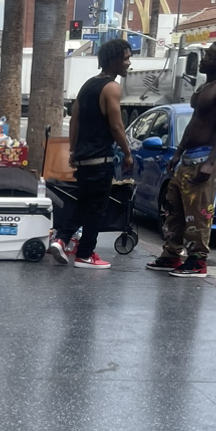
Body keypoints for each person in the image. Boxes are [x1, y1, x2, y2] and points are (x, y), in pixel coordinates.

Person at [147, 38, 216, 278]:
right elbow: (195, 123)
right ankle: (171, 255)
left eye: (210, 56)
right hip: (188, 158)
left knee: (197, 214)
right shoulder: (205, 86)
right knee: (174, 210)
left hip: (204, 160)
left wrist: (210, 162)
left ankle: (197, 261)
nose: (203, 59)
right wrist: (178, 153)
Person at [47, 38, 133, 271]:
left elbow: (74, 119)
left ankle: (61, 240)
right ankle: (85, 254)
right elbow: (116, 126)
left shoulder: (87, 86)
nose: (128, 63)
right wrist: (127, 152)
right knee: (96, 210)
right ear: (114, 60)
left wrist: (73, 150)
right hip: (100, 159)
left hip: (84, 159)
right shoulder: (112, 87)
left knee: (83, 205)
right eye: (126, 58)